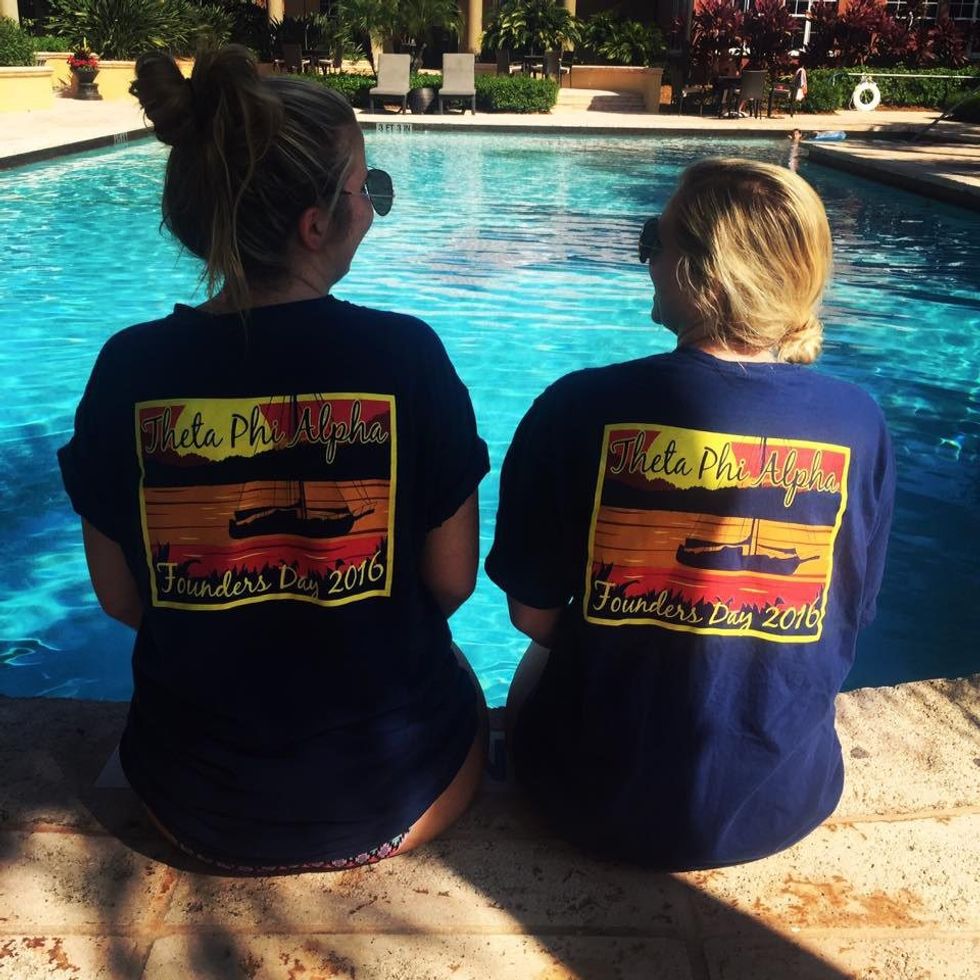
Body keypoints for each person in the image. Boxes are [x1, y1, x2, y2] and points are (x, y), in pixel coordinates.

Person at [58, 46, 490, 873]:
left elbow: (121, 598)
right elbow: (449, 584)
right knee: (458, 671)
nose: (372, 206)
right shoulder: (405, 358)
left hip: (188, 804)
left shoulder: (129, 369)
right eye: (367, 188)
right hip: (389, 802)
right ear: (315, 226)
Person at [487, 159, 895, 871]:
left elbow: (532, 615)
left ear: (703, 273)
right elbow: (850, 615)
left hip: (588, 800)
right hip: (780, 802)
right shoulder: (858, 421)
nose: (647, 258)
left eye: (656, 239)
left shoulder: (578, 407)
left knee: (538, 655)